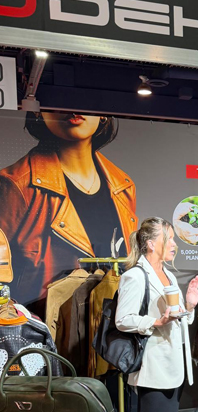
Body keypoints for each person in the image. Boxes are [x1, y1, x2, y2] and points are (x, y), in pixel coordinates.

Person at [0, 112, 138, 311]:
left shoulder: (123, 186)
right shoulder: (16, 185)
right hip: (47, 321)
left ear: (103, 116)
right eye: (58, 100)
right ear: (39, 112)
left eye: (87, 101)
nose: (74, 110)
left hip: (112, 319)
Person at [114, 217, 198, 412]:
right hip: (152, 366)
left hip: (174, 366)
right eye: (170, 238)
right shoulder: (135, 276)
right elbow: (122, 319)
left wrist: (189, 306)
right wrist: (156, 321)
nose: (175, 244)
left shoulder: (167, 274)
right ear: (152, 243)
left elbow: (178, 320)